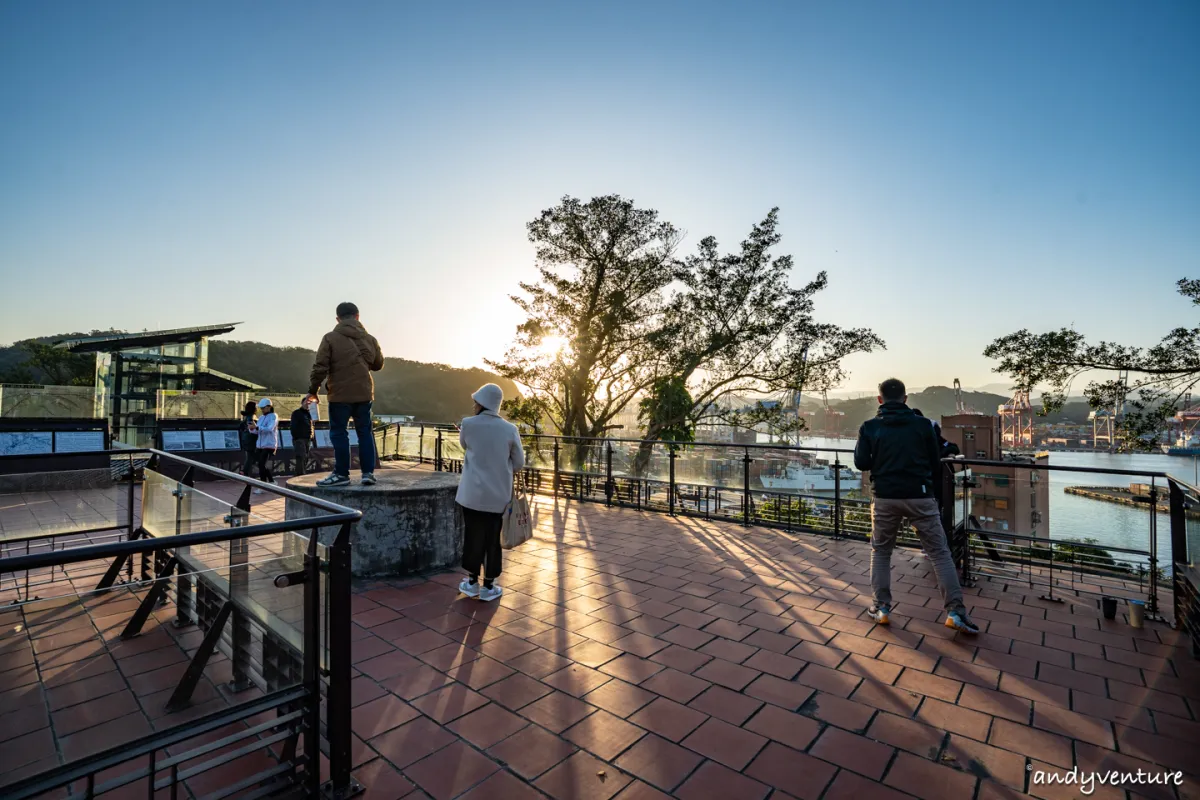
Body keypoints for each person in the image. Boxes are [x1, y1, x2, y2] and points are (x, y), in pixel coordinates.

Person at [854, 379, 979, 634]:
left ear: (879, 400)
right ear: (905, 398)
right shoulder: (923, 426)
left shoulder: (869, 427)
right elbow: (935, 463)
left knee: (880, 552)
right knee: (939, 553)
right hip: (921, 496)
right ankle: (955, 612)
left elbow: (861, 463)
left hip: (885, 497)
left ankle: (881, 608)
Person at [455, 383, 525, 602]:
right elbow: (519, 463)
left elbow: (465, 445)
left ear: (482, 402)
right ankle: (489, 586)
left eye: (476, 401)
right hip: (498, 496)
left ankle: (472, 582)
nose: (474, 404)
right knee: (493, 539)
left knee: (473, 535)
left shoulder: (468, 424)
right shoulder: (510, 429)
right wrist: (501, 469)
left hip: (471, 494)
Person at [306, 302, 384, 486]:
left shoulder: (330, 338)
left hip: (339, 394)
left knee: (339, 433)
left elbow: (320, 367)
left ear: (337, 319)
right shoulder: (370, 339)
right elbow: (378, 364)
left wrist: (313, 390)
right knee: (365, 433)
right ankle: (368, 474)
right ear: (357, 316)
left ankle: (341, 474)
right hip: (364, 393)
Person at [252, 398, 279, 494]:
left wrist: (257, 427)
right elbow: (257, 431)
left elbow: (269, 428)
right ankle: (271, 481)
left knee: (261, 464)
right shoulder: (261, 417)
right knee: (261, 464)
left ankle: (263, 486)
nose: (262, 410)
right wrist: (252, 429)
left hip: (269, 444)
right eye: (261, 408)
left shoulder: (273, 416)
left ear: (269, 407)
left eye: (263, 408)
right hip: (260, 444)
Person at [290, 397, 317, 475]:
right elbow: (293, 426)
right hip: (299, 439)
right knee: (301, 457)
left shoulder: (310, 414)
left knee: (305, 457)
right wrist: (296, 437)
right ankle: (300, 475)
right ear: (302, 403)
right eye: (307, 401)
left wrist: (312, 437)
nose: (308, 403)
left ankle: (299, 474)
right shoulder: (296, 413)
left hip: (308, 439)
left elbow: (312, 426)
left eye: (310, 402)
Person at [238, 401, 258, 475]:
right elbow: (251, 426)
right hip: (250, 439)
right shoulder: (251, 416)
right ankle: (245, 472)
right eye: (256, 407)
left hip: (246, 438)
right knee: (250, 456)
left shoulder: (248, 416)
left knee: (250, 456)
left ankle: (246, 471)